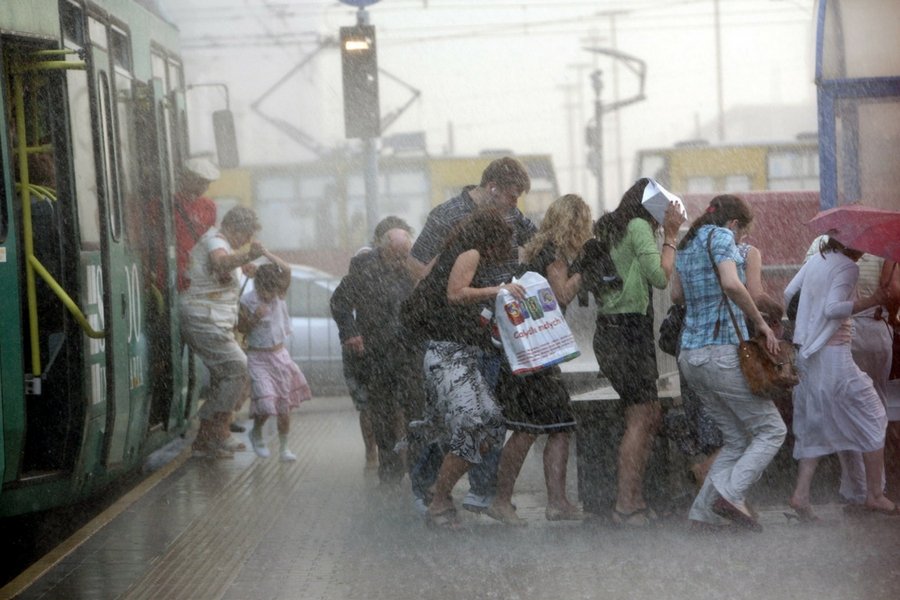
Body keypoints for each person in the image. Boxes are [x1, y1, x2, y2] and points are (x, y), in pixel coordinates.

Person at [407, 156, 536, 513]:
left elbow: (537, 240)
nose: (516, 205)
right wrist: (445, 300)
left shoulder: (509, 215)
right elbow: (418, 264)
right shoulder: (449, 215)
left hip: (491, 329)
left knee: (486, 417)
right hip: (455, 334)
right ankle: (430, 488)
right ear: (493, 187)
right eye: (512, 196)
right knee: (458, 419)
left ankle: (479, 490)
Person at [670, 194, 786, 532]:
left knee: (736, 439)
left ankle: (702, 514)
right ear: (733, 223)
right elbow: (732, 283)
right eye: (741, 233)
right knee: (771, 429)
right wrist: (762, 324)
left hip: (691, 357)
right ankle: (731, 495)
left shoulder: (688, 242)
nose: (740, 242)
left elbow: (676, 296)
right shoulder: (720, 235)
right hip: (720, 353)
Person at [487, 194, 592, 525]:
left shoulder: (537, 249)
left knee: (546, 426)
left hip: (525, 350)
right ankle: (506, 501)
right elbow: (561, 293)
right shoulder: (555, 255)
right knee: (531, 428)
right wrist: (587, 270)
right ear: (575, 224)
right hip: (536, 356)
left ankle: (549, 502)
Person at [586, 178, 684, 526]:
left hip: (613, 330)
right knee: (641, 416)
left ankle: (634, 497)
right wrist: (670, 237)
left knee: (649, 412)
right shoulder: (640, 225)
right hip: (626, 331)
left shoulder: (615, 226)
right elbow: (659, 277)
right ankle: (626, 503)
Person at [785, 235, 899, 519]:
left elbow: (789, 294)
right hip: (835, 356)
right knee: (874, 415)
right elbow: (833, 309)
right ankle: (874, 494)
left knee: (817, 421)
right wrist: (870, 301)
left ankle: (801, 494)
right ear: (855, 244)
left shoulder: (816, 261)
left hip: (809, 355)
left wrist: (807, 324)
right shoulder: (849, 267)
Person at [330, 216, 421, 485]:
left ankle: (419, 470)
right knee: (381, 412)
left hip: (409, 349)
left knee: (416, 409)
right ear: (382, 249)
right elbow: (340, 302)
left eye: (404, 256)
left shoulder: (413, 266)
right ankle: (390, 470)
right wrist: (350, 332)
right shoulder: (364, 268)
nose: (400, 262)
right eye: (395, 256)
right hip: (377, 352)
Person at [181, 206, 266, 458]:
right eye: (246, 235)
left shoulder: (222, 243)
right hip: (201, 317)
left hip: (211, 320)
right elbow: (220, 263)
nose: (247, 242)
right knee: (236, 368)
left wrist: (243, 262)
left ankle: (214, 435)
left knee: (226, 374)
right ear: (233, 228)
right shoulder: (215, 240)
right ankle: (209, 432)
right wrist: (244, 257)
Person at [238, 260, 312, 462]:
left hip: (280, 357)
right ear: (257, 285)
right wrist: (254, 317)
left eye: (272, 292)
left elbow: (287, 269)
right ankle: (257, 432)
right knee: (265, 401)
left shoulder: (279, 297)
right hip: (258, 357)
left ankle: (284, 448)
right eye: (265, 292)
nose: (269, 297)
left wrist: (264, 253)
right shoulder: (247, 301)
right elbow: (242, 328)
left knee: (283, 406)